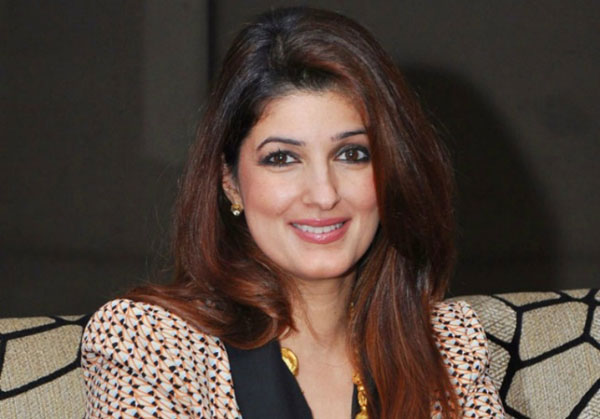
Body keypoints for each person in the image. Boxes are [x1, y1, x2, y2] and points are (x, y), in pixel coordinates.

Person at [81, 7, 504, 418]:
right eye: (282, 158)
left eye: (352, 154)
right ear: (230, 181)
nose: (323, 194)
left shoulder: (446, 344)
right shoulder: (149, 342)